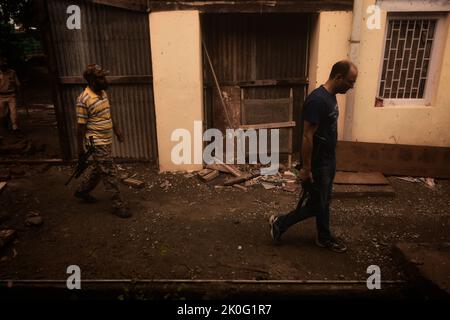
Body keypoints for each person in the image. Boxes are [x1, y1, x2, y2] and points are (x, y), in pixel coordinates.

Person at [269, 60, 358, 253]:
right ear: (338, 77)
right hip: (318, 164)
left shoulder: (330, 97)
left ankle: (323, 237)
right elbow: (307, 136)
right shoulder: (317, 100)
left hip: (328, 160)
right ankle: (280, 223)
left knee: (323, 200)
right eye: (350, 82)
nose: (352, 87)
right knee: (317, 204)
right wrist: (306, 168)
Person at [74, 63, 131, 219]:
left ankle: (82, 191)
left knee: (99, 168)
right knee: (109, 172)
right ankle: (118, 205)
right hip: (96, 142)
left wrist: (117, 130)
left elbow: (107, 114)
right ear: (92, 80)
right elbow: (80, 128)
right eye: (101, 77)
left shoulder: (102, 93)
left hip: (106, 139)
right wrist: (79, 149)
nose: (105, 80)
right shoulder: (84, 99)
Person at [0, 57, 21, 132]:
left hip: (12, 95)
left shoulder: (12, 72)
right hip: (1, 96)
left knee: (13, 111)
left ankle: (15, 127)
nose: (2, 67)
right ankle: (5, 123)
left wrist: (19, 92)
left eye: (4, 65)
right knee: (2, 114)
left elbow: (17, 83)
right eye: (1, 65)